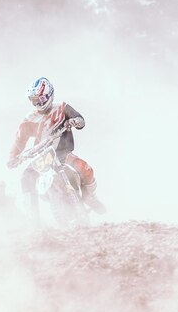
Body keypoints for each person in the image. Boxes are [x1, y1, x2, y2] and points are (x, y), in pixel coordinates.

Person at [7, 76, 106, 220]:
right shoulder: (29, 119)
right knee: (26, 177)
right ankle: (32, 218)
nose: (38, 103)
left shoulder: (61, 107)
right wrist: (12, 157)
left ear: (49, 95)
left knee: (85, 168)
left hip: (62, 153)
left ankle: (90, 196)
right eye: (34, 100)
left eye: (40, 99)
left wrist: (76, 121)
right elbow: (19, 140)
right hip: (41, 156)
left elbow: (80, 119)